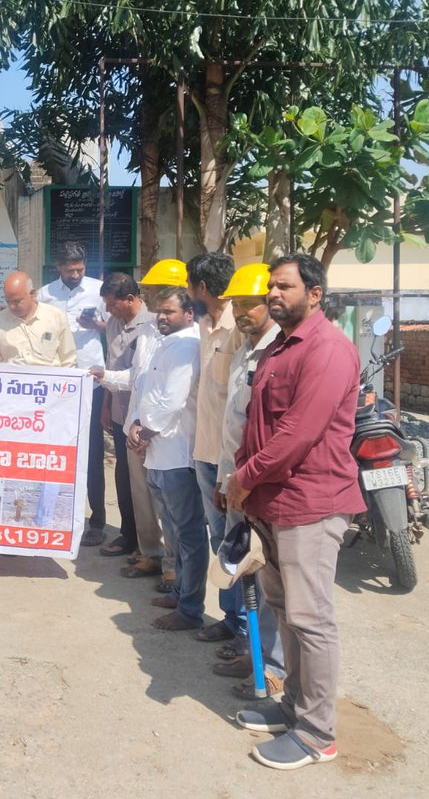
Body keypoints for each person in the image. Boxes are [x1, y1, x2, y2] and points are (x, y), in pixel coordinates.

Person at [228, 254, 365, 770]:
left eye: (283, 286)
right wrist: (241, 481)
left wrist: (243, 477)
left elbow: (299, 434)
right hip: (274, 502)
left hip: (312, 502)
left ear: (315, 293)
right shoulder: (280, 347)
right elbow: (258, 424)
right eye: (271, 287)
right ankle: (293, 708)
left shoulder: (328, 349)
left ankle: (317, 734)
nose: (272, 294)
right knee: (285, 609)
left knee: (311, 619)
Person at [210, 263, 285, 699]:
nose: (241, 311)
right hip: (236, 482)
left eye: (249, 304)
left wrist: (244, 481)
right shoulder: (244, 350)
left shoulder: (279, 352)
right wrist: (225, 481)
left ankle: (274, 669)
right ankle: (254, 651)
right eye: (236, 303)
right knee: (246, 574)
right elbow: (232, 426)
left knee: (272, 580)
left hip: (261, 484)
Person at [97, 258, 186, 584]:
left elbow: (175, 396)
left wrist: (147, 429)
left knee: (171, 505)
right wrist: (105, 377)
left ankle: (173, 568)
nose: (158, 309)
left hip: (167, 436)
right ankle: (151, 555)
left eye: (157, 294)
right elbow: (138, 378)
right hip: (136, 426)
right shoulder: (150, 332)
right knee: (143, 497)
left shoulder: (190, 338)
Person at [128, 287, 204, 632]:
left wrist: (145, 430)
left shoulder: (189, 345)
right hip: (158, 453)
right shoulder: (166, 343)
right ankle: (179, 593)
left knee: (187, 535)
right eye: (160, 311)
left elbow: (172, 401)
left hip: (176, 453)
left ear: (189, 314)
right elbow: (147, 392)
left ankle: (190, 608)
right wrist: (137, 426)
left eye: (170, 311)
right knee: (173, 532)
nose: (161, 316)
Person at [186, 252, 248, 644]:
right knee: (218, 540)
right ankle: (230, 618)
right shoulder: (204, 325)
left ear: (202, 288)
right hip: (204, 449)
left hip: (230, 458)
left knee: (237, 544)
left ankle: (242, 625)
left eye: (190, 286)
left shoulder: (238, 329)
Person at [91, 274, 163, 567]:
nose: (108, 310)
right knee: (123, 479)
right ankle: (128, 535)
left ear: (131, 300)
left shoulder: (155, 326)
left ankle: (151, 547)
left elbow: (143, 377)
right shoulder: (113, 325)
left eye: (112, 304)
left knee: (147, 487)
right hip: (120, 414)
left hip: (143, 420)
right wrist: (106, 407)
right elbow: (111, 366)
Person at [38, 242, 107, 547]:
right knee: (55, 452)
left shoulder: (98, 290)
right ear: (58, 268)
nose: (77, 275)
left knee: (92, 453)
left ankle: (98, 520)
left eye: (80, 269)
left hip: (91, 381)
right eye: (70, 270)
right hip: (57, 385)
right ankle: (56, 514)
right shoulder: (44, 294)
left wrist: (97, 325)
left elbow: (115, 326)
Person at [0, 271, 77, 367]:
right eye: (8, 301)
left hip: (49, 380)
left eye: (17, 301)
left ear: (32, 294)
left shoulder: (56, 317)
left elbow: (68, 359)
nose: (12, 306)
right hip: (12, 380)